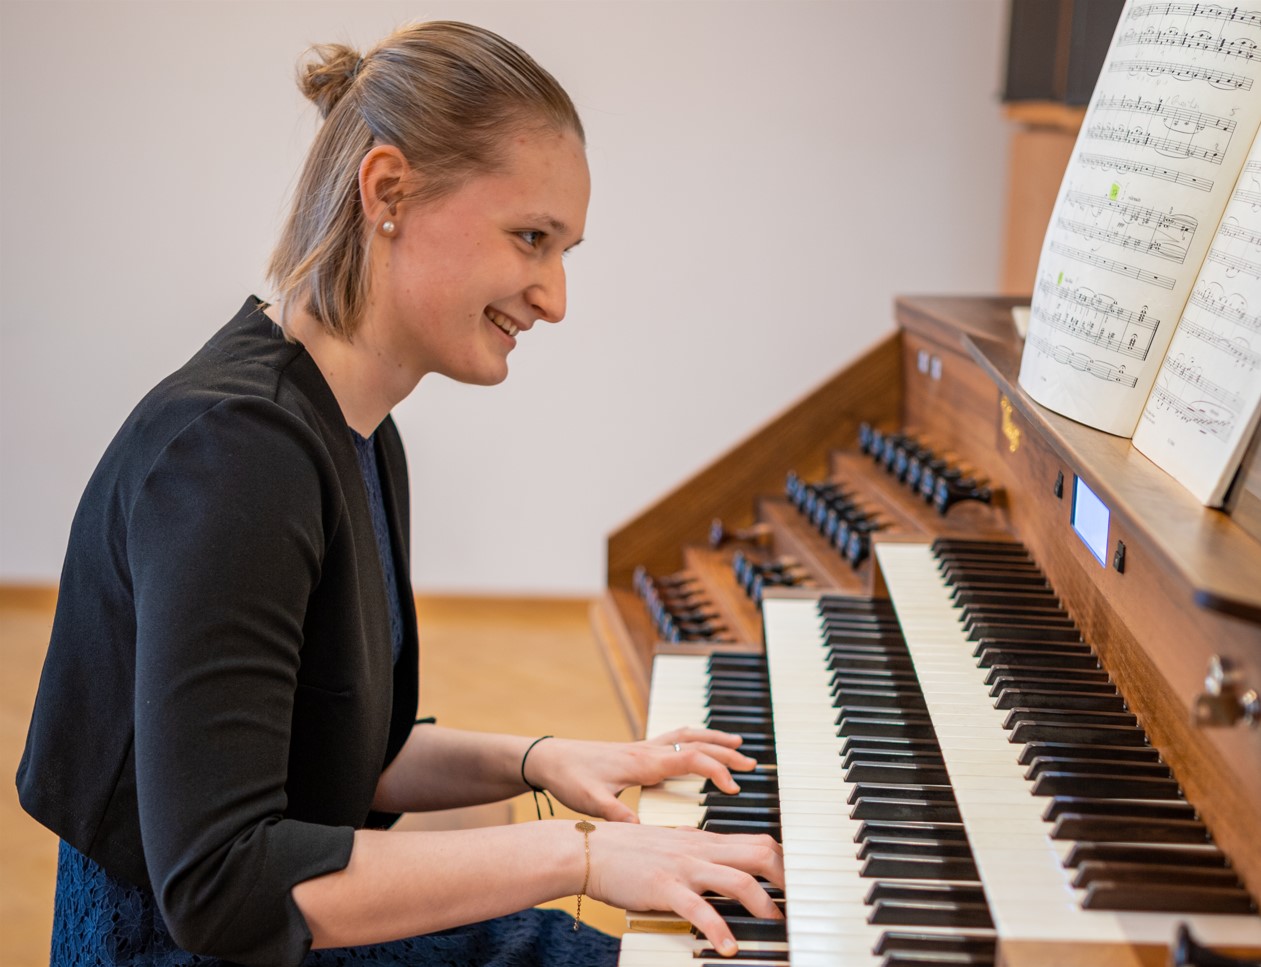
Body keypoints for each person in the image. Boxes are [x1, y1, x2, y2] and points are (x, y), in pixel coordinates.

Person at [15, 19, 783, 967]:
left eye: (564, 251)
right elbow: (220, 883)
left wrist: (540, 760)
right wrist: (579, 851)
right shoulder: (233, 452)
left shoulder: (352, 428)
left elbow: (346, 751)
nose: (554, 296)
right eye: (530, 238)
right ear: (386, 191)